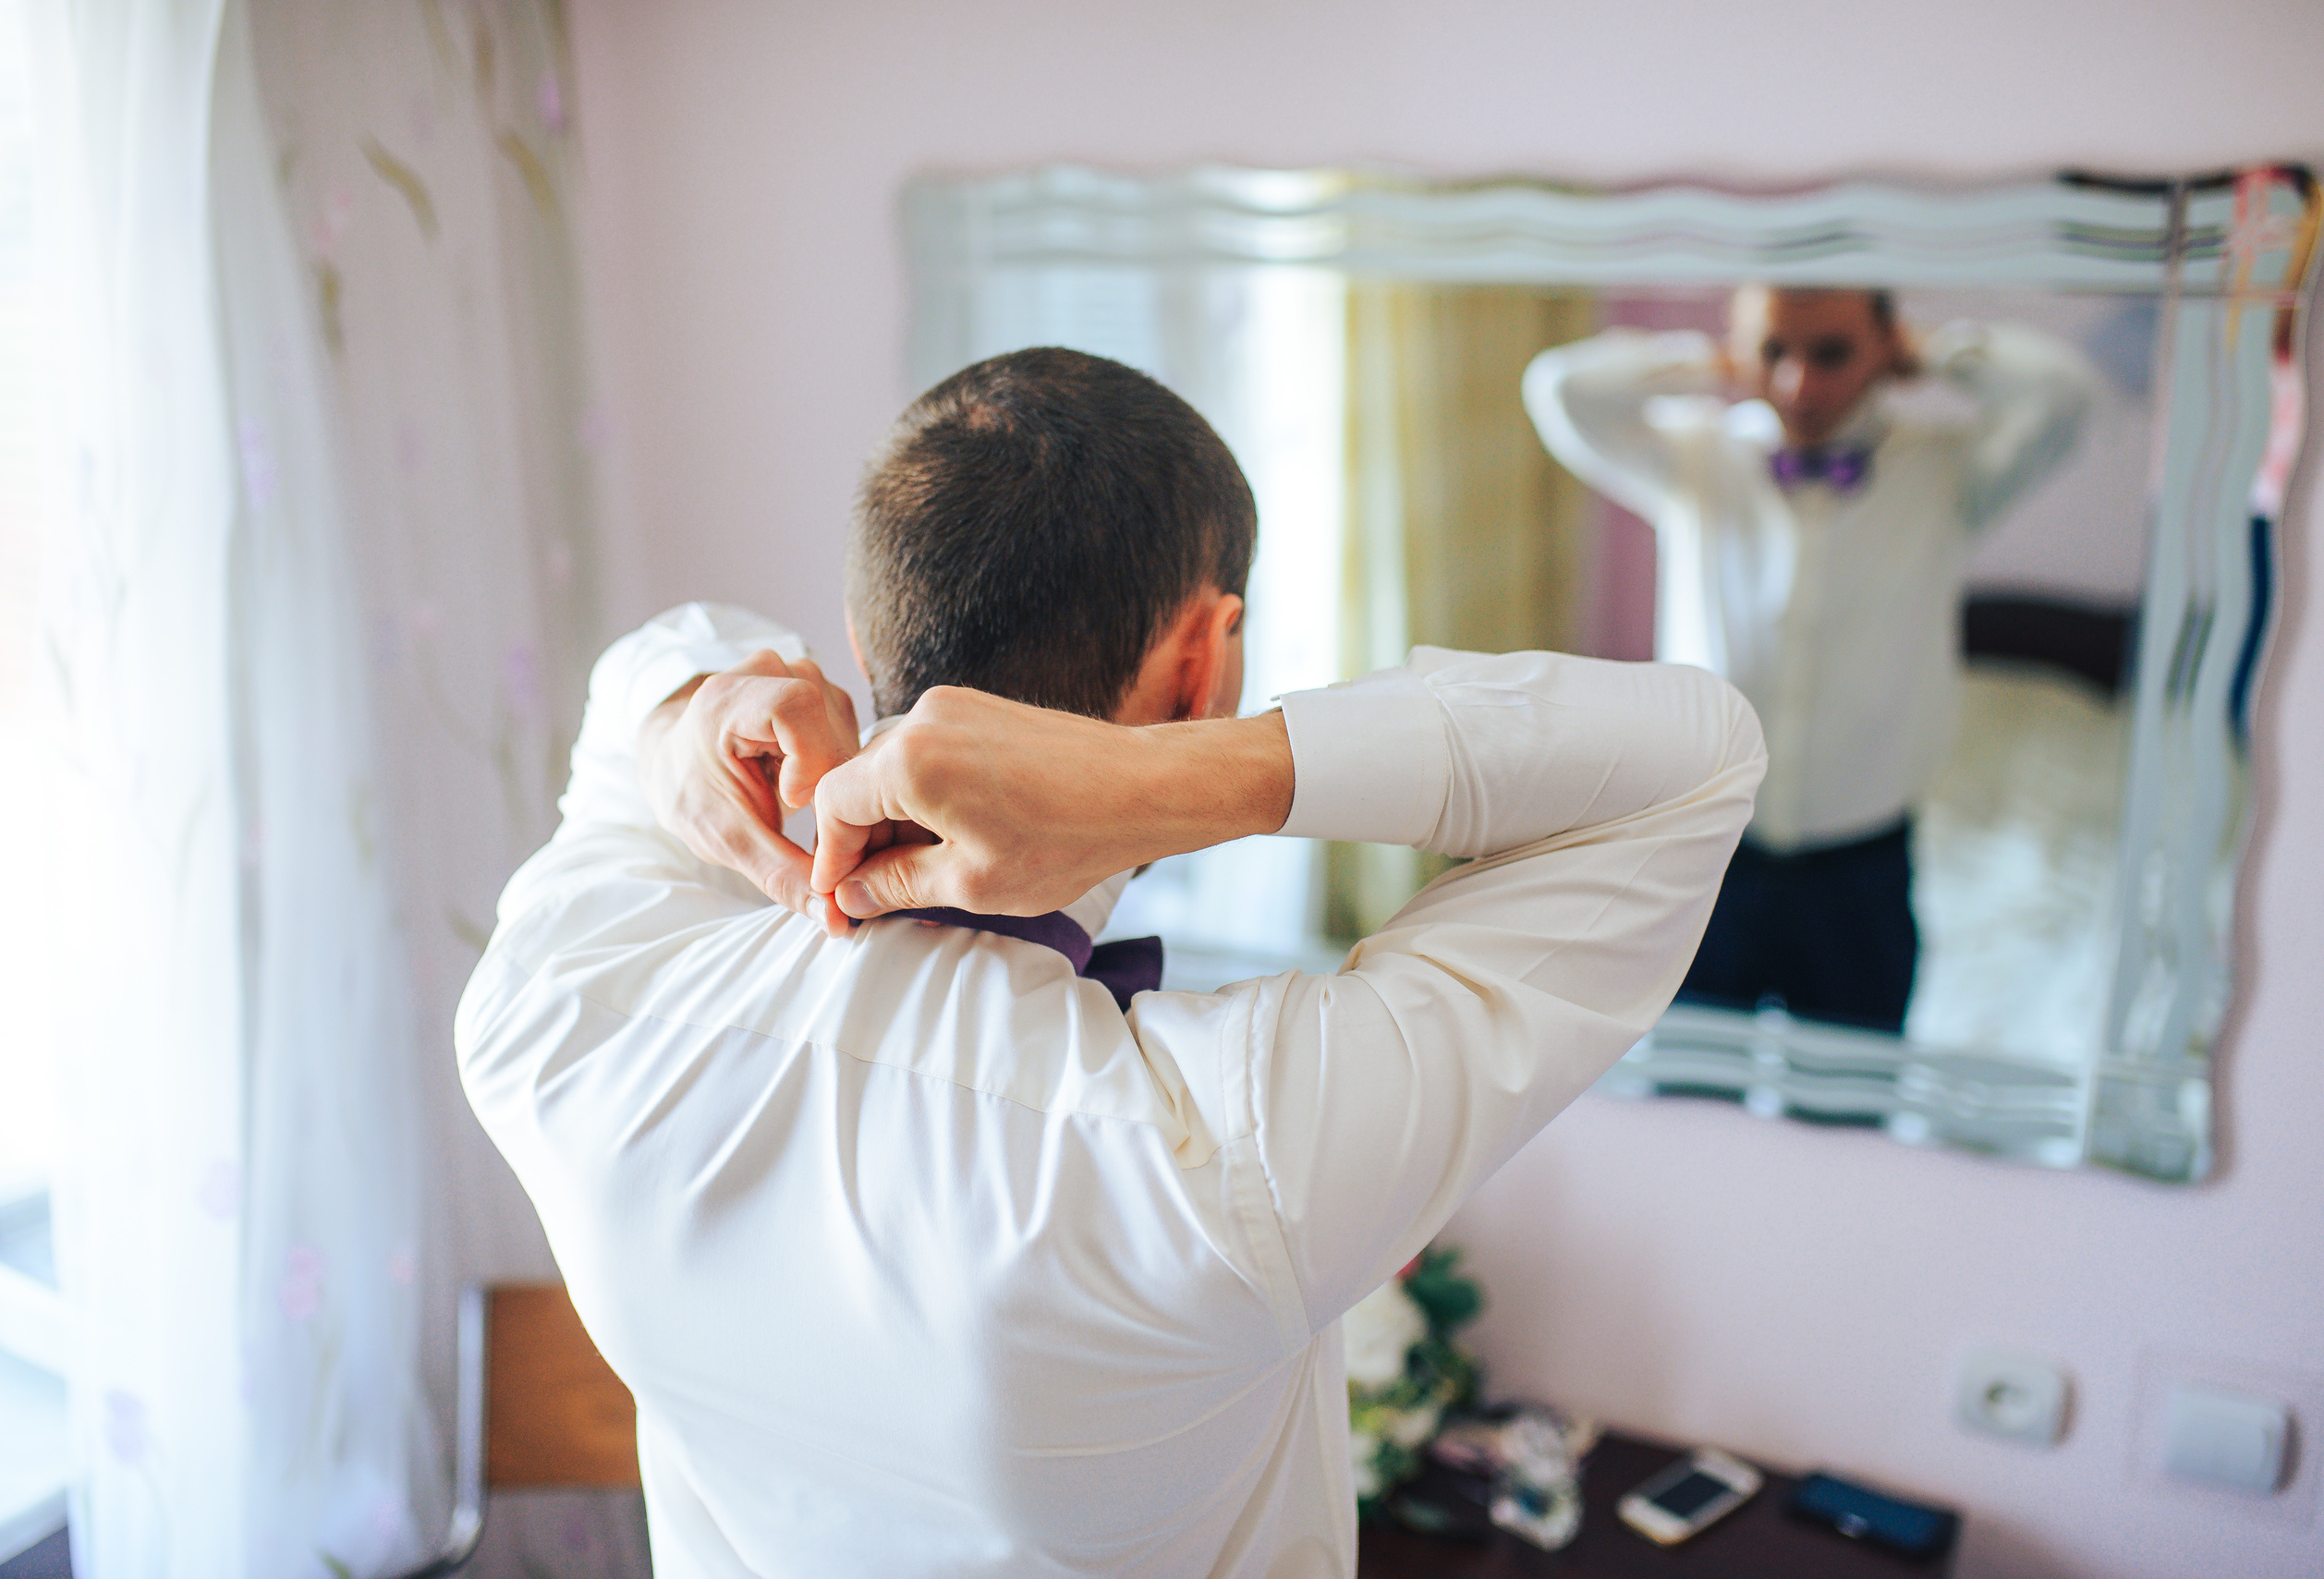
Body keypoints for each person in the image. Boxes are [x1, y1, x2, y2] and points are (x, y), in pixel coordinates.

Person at [457, 347, 1764, 1577]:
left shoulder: (561, 1004)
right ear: (1206, 662)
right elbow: (1696, 761)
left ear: (862, 640)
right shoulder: (1235, 1159)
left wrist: (689, 711)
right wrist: (1193, 776)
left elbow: (650, 667)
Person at [1525, 288, 2096, 1033]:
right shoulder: (1696, 457)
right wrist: (1708, 364)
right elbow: (1560, 391)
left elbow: (2066, 396)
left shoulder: (1948, 472)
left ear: (1886, 346)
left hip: (1861, 876)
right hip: (1703, 858)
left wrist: (1933, 352)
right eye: (1774, 351)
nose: (1798, 383)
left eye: (1831, 352)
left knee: (1853, 1094)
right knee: (1691, 1084)